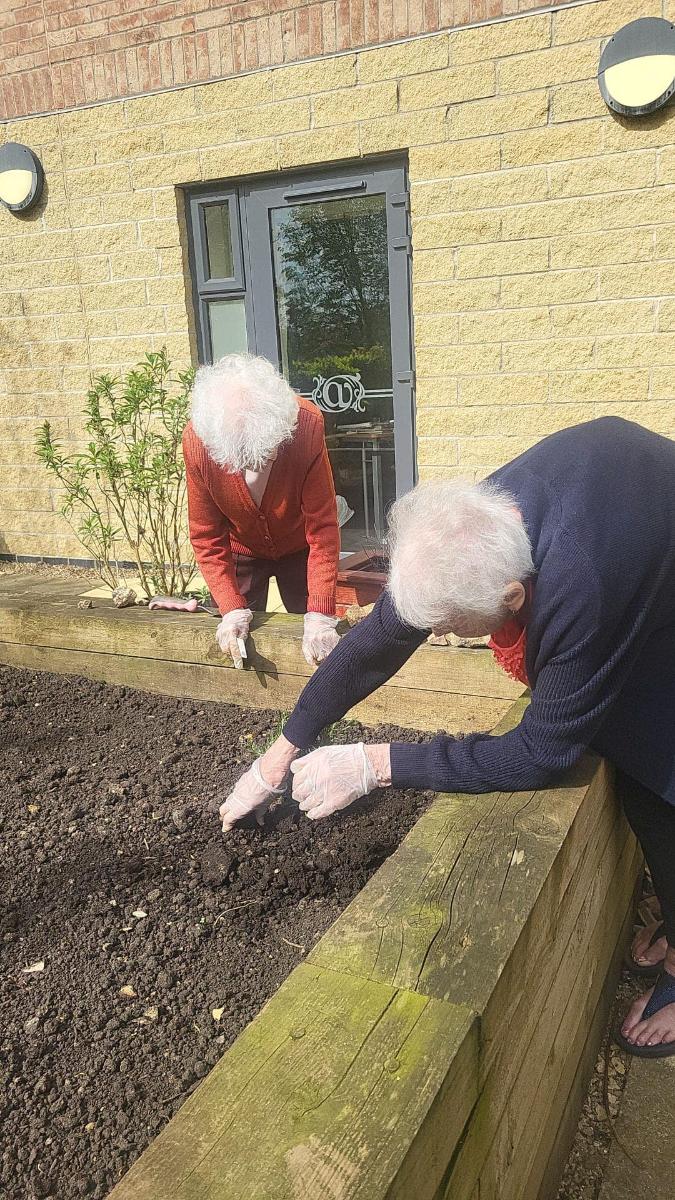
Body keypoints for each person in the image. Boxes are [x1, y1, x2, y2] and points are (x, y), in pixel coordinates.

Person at [219, 416, 675, 1059]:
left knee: (660, 768)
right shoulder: (469, 529)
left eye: (450, 627)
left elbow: (539, 754)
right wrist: (279, 753)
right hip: (632, 519)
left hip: (643, 547)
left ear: (512, 597)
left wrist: (375, 764)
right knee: (630, 752)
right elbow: (375, 644)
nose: (437, 635)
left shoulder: (583, 586)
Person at [183, 353, 341, 669]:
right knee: (233, 644)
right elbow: (206, 536)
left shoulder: (306, 426)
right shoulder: (199, 441)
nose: (255, 469)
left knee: (317, 646)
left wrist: (321, 612)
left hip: (300, 547)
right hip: (240, 550)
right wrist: (230, 607)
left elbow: (322, 528)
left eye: (265, 455)